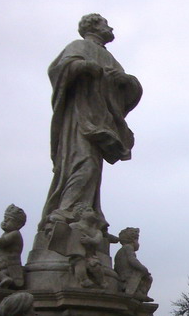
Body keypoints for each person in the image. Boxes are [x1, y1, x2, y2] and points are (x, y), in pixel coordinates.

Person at [40, 13, 142, 232]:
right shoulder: (79, 46)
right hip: (78, 117)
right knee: (83, 162)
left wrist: (125, 81)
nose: (111, 27)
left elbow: (129, 88)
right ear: (94, 26)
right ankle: (65, 211)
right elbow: (58, 70)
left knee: (93, 169)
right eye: (106, 23)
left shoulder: (110, 58)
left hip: (99, 119)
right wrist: (83, 67)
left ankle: (84, 212)